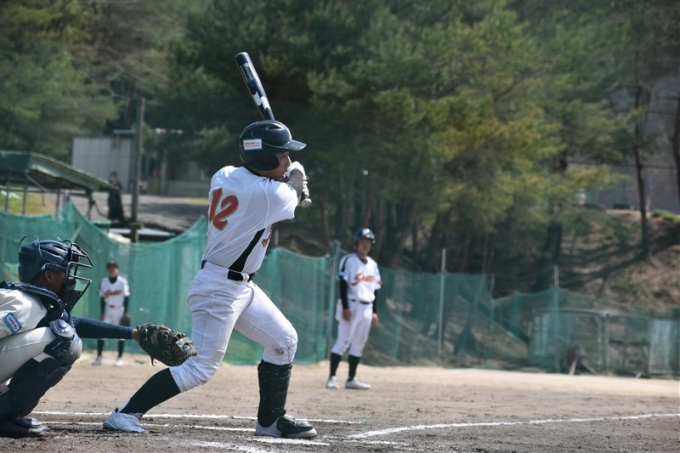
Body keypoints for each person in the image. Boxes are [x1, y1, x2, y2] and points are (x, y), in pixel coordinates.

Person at [102, 119, 316, 438]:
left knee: (284, 341)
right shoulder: (268, 194)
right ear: (263, 159)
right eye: (282, 155)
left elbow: (284, 188)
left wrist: (287, 172)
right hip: (219, 288)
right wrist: (297, 171)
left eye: (287, 156)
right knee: (200, 367)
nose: (286, 161)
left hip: (240, 285)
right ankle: (125, 414)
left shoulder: (224, 175)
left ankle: (270, 422)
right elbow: (293, 191)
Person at [0, 236, 147, 438]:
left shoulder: (37, 303)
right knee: (64, 340)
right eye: (66, 271)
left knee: (64, 332)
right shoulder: (24, 303)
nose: (70, 278)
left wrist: (133, 334)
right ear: (49, 275)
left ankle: (5, 414)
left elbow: (77, 324)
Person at [326, 228, 382, 390]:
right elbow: (343, 284)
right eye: (362, 242)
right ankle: (332, 377)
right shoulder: (349, 260)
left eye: (368, 242)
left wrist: (374, 311)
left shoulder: (373, 265)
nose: (365, 245)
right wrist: (345, 307)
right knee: (343, 341)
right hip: (351, 304)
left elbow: (375, 289)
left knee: (359, 343)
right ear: (356, 244)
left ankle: (351, 379)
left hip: (367, 307)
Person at [92, 260, 130, 367]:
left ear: (117, 269)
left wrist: (125, 313)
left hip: (119, 310)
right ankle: (99, 357)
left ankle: (119, 358)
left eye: (114, 267)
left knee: (121, 334)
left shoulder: (123, 282)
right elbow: (102, 298)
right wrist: (102, 312)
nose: (112, 269)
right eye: (110, 267)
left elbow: (126, 298)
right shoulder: (104, 281)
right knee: (101, 332)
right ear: (107, 269)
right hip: (107, 309)